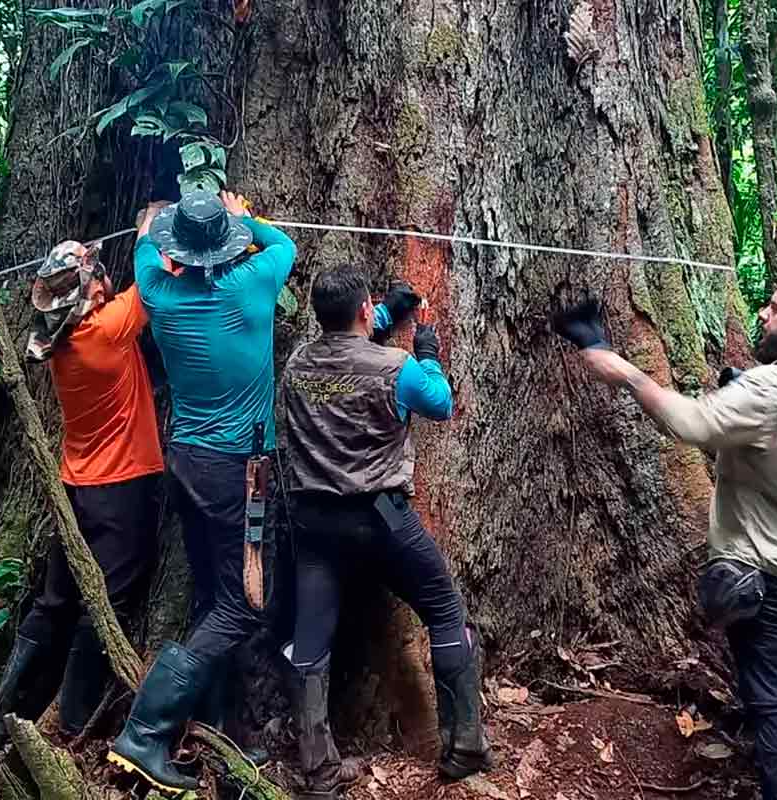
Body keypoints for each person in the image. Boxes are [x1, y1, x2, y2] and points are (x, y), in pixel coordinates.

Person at [556, 277, 777, 800]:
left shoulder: (768, 391)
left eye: (774, 309)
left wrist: (621, 369)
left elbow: (691, 424)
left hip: (773, 586)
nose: (760, 314)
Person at [280, 265, 493, 800]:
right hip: (380, 519)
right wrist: (425, 348)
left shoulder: (298, 365)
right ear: (361, 309)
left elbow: (345, 359)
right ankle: (464, 743)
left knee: (311, 641)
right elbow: (440, 405)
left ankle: (318, 771)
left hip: (313, 524)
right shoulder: (396, 368)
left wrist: (383, 314)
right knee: (445, 612)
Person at [107, 191, 297, 793]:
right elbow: (283, 243)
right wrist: (243, 216)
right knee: (244, 604)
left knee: (214, 594)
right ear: (226, 243)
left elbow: (142, 245)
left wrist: (151, 224)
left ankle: (219, 734)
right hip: (237, 471)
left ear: (176, 251)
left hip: (185, 461)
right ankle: (145, 731)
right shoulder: (254, 285)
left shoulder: (158, 294)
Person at [0, 240, 163, 755]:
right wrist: (150, 230)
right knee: (107, 602)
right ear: (89, 294)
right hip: (120, 489)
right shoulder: (105, 331)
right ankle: (73, 720)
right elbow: (153, 283)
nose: (103, 278)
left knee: (54, 600)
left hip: (76, 487)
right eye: (94, 276)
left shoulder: (60, 342)